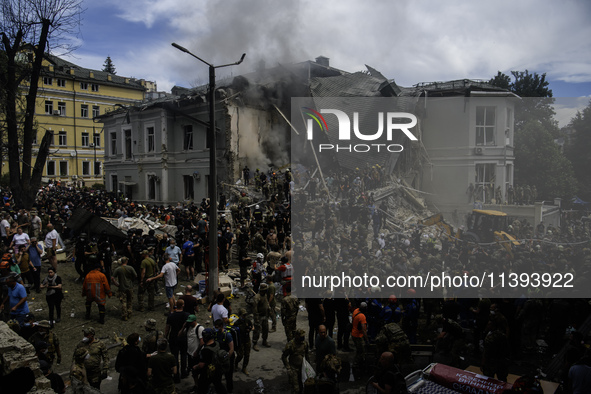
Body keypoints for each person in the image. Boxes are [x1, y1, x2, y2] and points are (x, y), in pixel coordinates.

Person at [194, 328, 227, 394]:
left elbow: (201, 364)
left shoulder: (205, 351)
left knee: (201, 388)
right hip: (218, 369)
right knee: (218, 385)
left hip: (208, 373)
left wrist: (196, 367)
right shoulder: (218, 344)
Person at [165, 300, 190, 382]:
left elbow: (167, 328)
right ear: (183, 305)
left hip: (173, 337)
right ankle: (183, 372)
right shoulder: (186, 315)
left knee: (175, 355)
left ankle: (176, 375)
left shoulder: (171, 316)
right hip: (183, 337)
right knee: (183, 354)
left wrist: (166, 336)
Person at [282, 329, 309, 394]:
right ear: (297, 336)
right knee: (296, 389)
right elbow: (284, 357)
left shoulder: (304, 343)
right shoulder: (290, 345)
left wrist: (308, 366)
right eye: (301, 336)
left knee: (302, 386)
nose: (303, 338)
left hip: (302, 368)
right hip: (293, 368)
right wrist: (288, 368)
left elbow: (307, 354)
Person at [111, 257, 137, 321]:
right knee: (130, 300)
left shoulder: (118, 269)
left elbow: (112, 278)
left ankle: (124, 315)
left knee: (123, 301)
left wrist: (116, 284)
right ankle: (129, 313)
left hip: (122, 287)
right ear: (126, 261)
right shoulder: (130, 268)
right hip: (130, 286)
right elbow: (135, 275)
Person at [214, 319, 235, 393]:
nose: (217, 329)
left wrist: (226, 359)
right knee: (217, 376)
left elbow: (231, 349)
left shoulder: (227, 335)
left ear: (221, 326)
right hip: (220, 358)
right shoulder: (216, 334)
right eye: (216, 327)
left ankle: (230, 390)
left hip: (228, 358)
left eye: (218, 327)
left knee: (228, 376)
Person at [233, 308, 253, 376]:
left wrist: (249, 329)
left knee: (247, 355)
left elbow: (252, 327)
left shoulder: (247, 321)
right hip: (240, 340)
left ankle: (244, 367)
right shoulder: (237, 323)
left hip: (247, 339)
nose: (244, 316)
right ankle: (236, 363)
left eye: (245, 315)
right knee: (240, 355)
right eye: (243, 315)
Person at [252, 282, 271, 351]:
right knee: (257, 330)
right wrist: (256, 318)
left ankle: (264, 340)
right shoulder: (257, 297)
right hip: (259, 316)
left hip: (265, 315)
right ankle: (255, 343)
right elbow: (255, 308)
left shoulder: (265, 296)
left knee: (265, 329)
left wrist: (269, 310)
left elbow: (266, 303)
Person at [352, 302, 369, 371]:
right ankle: (356, 364)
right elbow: (364, 329)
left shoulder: (356, 311)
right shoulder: (362, 316)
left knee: (359, 350)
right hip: (358, 336)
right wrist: (367, 340)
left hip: (353, 333)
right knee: (360, 351)